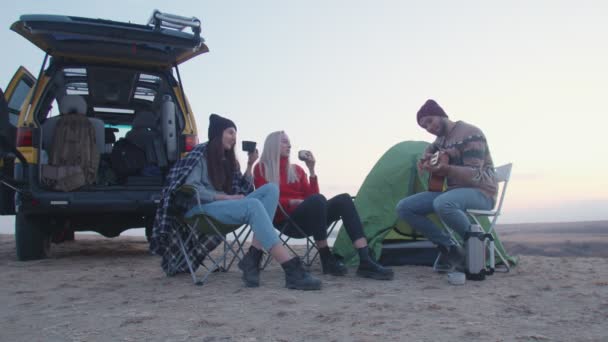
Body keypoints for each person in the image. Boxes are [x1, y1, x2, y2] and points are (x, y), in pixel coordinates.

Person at [151, 114, 321, 291]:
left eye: (235, 133)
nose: (234, 137)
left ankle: (253, 257)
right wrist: (225, 197)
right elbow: (191, 189)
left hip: (224, 208)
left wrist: (249, 164)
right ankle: (291, 268)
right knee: (253, 205)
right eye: (230, 132)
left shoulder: (229, 160)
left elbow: (243, 190)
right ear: (218, 134)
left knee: (271, 189)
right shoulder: (200, 154)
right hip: (201, 209)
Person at [253, 131, 394, 280]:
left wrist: (311, 170)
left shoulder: (296, 170)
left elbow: (313, 197)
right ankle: (325, 255)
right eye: (284, 142)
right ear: (272, 145)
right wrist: (292, 202)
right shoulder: (262, 168)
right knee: (317, 200)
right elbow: (265, 202)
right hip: (286, 221)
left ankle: (365, 259)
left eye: (289, 142)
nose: (289, 145)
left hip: (311, 219)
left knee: (344, 200)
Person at [396, 99, 498, 272]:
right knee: (404, 207)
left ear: (441, 114)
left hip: (481, 192)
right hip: (454, 192)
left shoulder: (471, 133)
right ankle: (449, 248)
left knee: (443, 203)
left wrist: (446, 169)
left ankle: (477, 247)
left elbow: (475, 175)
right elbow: (431, 148)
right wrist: (425, 158)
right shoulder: (441, 140)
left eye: (430, 121)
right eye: (424, 126)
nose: (429, 128)